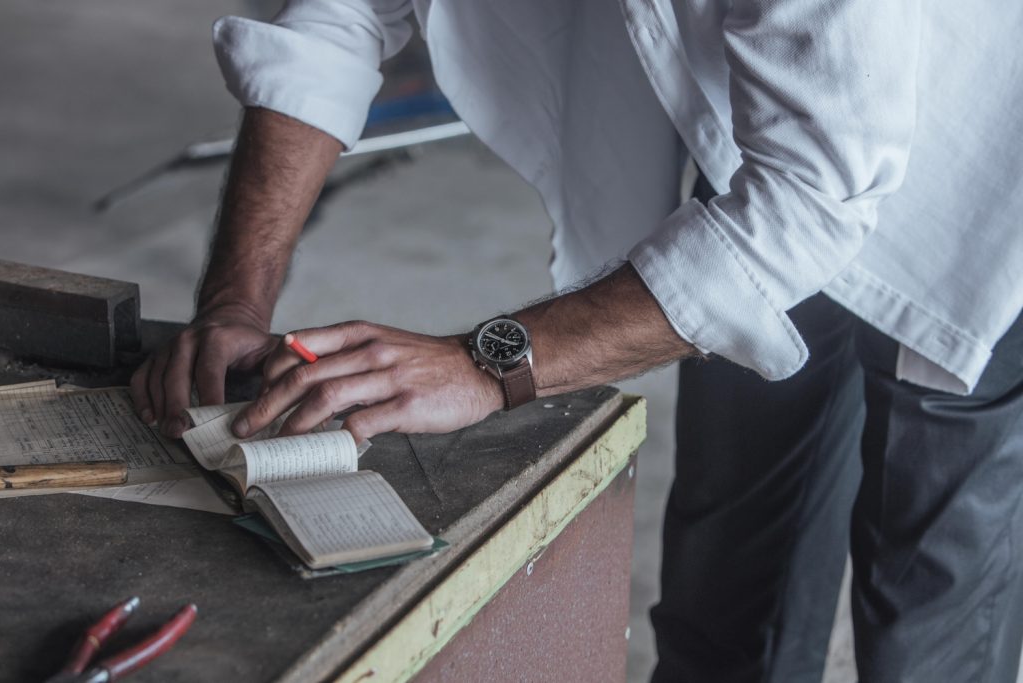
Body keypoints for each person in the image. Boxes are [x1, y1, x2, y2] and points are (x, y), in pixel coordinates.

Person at [131, 1, 1023, 680]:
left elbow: (813, 199)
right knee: (729, 584)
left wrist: (489, 362)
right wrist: (235, 303)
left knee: (928, 616)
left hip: (969, 174)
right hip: (763, 143)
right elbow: (337, 17)